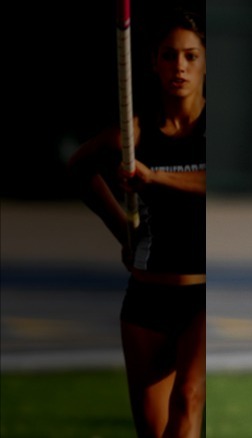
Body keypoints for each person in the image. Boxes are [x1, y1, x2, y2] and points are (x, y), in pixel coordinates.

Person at [67, 7, 206, 438]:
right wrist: (121, 232)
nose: (179, 67)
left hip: (203, 294)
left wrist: (155, 177)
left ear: (204, 62)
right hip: (147, 294)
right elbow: (79, 169)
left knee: (189, 398)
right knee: (152, 428)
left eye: (190, 56)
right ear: (153, 63)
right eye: (168, 56)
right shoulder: (135, 136)